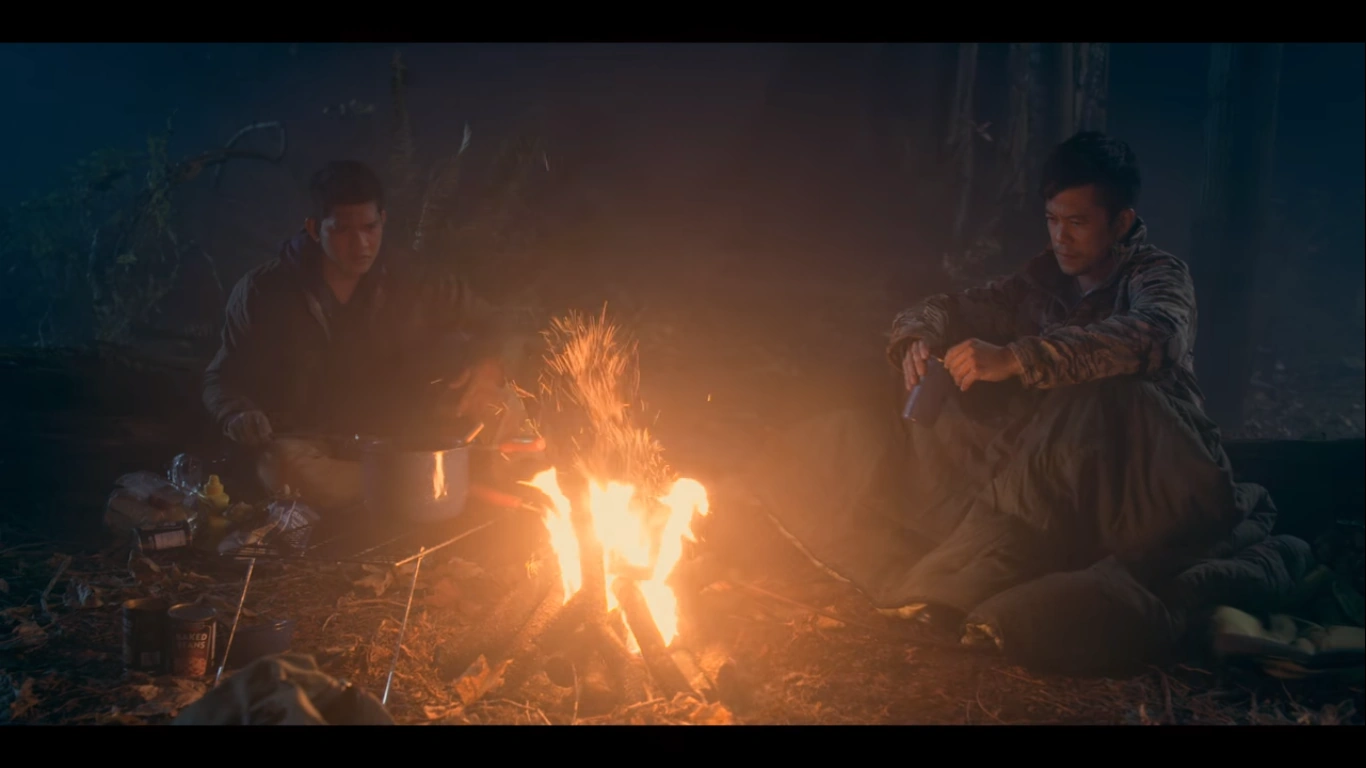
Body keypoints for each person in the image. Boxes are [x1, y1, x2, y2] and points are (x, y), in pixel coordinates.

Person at [724, 131, 1306, 674]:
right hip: (1068, 473)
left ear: (1122, 221)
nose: (1061, 238)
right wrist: (916, 340)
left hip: (1158, 472)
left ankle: (958, 582)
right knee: (921, 392)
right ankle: (892, 532)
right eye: (1052, 220)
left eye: (1077, 222)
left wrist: (1018, 359)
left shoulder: (1157, 275)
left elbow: (1152, 335)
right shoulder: (1039, 284)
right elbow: (945, 307)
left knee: (1098, 394)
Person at [202, 160, 528, 512]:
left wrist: (488, 367)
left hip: (407, 431)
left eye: (370, 227)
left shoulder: (415, 280)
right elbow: (221, 378)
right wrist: (238, 414)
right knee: (282, 464)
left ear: (382, 220)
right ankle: (424, 487)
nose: (360, 244)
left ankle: (447, 487)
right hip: (318, 443)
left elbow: (499, 323)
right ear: (314, 229)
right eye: (342, 230)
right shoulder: (264, 292)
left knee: (502, 401)